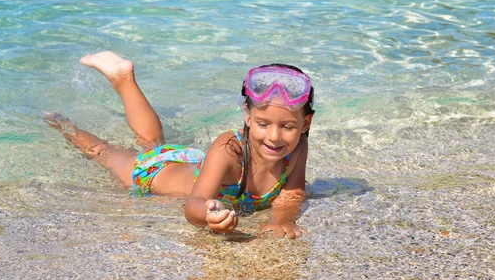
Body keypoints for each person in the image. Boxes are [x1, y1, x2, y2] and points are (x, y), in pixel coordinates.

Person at [46, 51, 315, 239]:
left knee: (152, 140)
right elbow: (193, 204)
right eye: (263, 123)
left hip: (189, 160)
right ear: (247, 115)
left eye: (287, 126)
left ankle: (123, 77)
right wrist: (207, 217)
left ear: (304, 125)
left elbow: (292, 194)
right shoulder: (228, 149)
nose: (274, 137)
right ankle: (60, 123)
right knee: (104, 152)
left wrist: (283, 221)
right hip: (152, 172)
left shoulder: (297, 147)